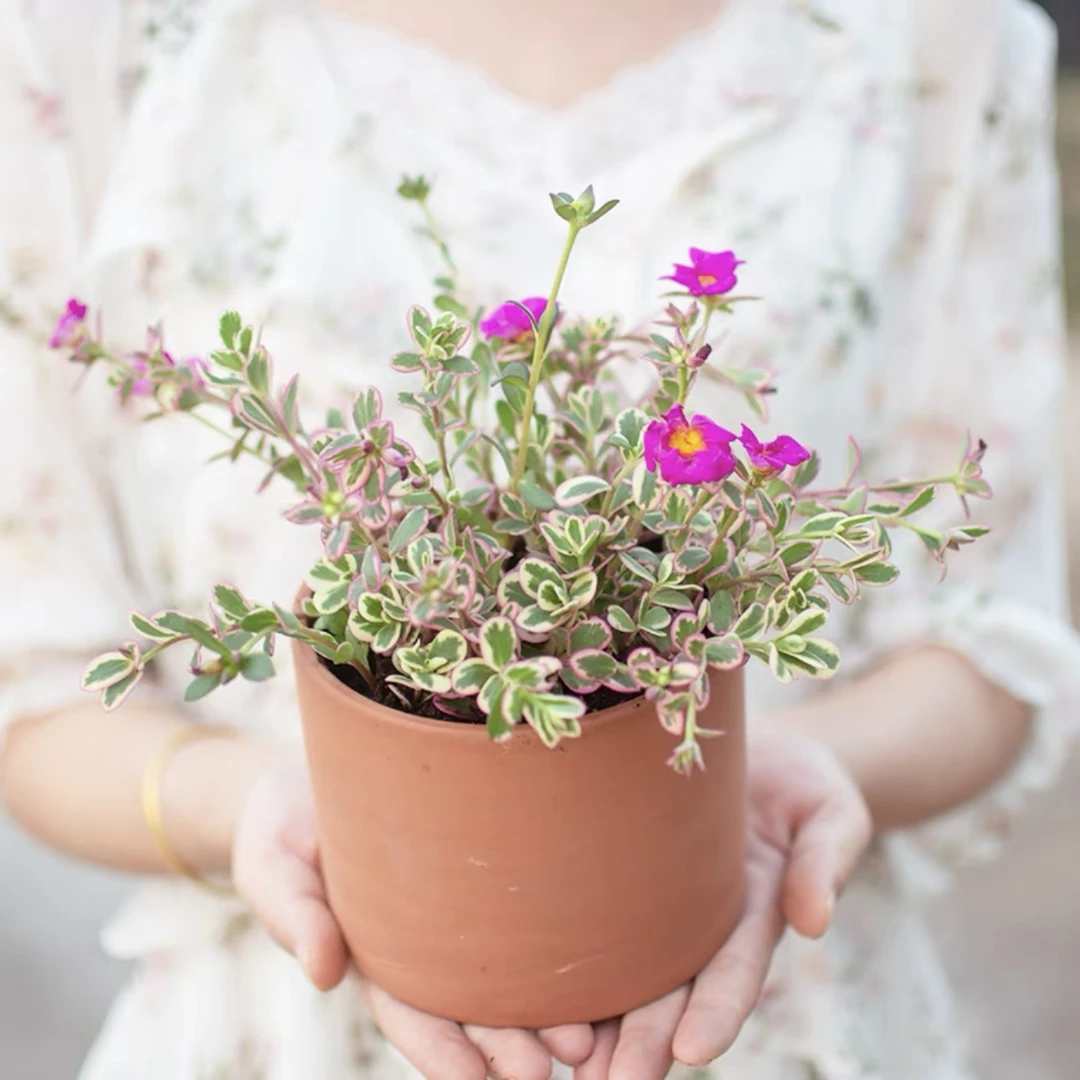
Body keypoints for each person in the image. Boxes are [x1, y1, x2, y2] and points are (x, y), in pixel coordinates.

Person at [0, 0, 1076, 1077]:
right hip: (279, 1026)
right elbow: (31, 691)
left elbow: (994, 640)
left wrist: (794, 774)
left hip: (785, 999)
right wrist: (254, 809)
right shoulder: (102, 44)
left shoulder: (939, 37)